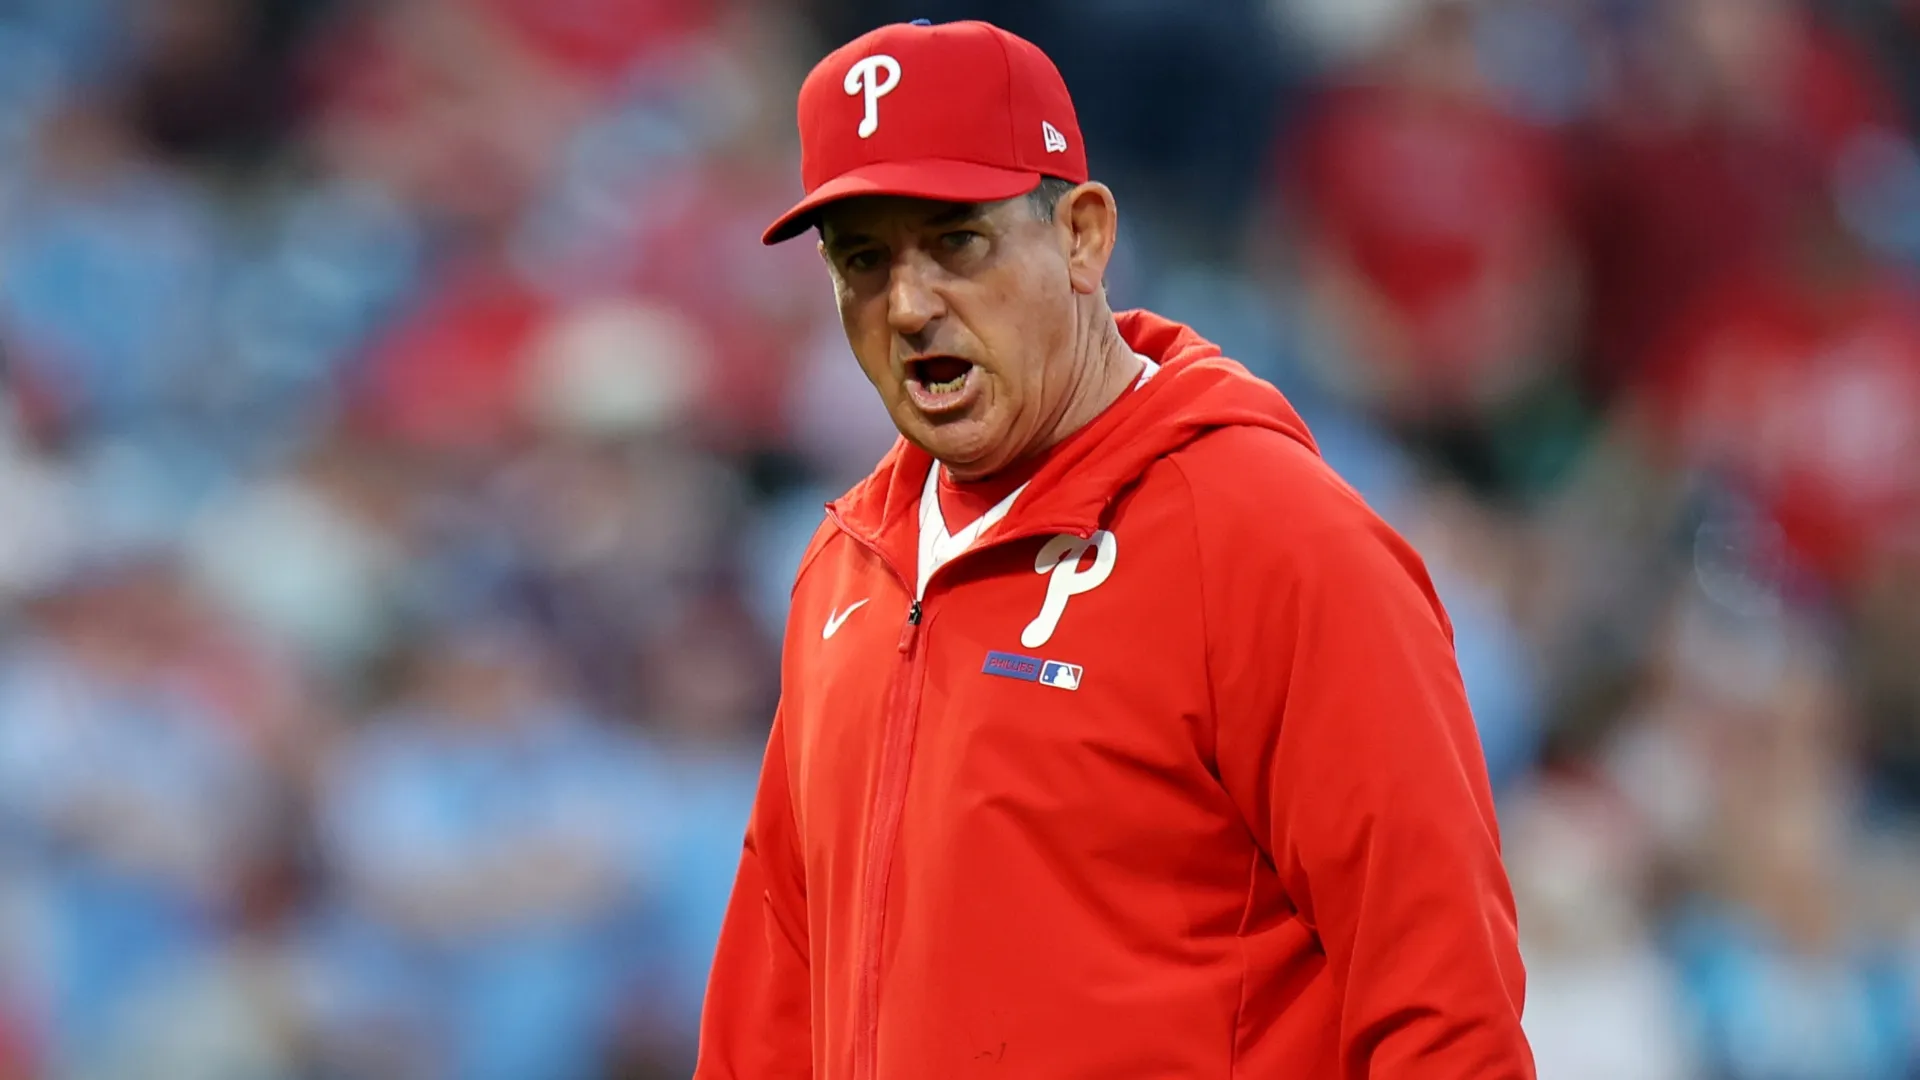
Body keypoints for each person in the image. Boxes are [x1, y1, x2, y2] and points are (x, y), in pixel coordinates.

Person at [697, 18, 1534, 1080]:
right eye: (863, 260)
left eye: (958, 242)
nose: (907, 306)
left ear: (1084, 238)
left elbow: (1447, 1014)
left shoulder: (1272, 538)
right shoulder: (845, 570)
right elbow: (770, 1013)